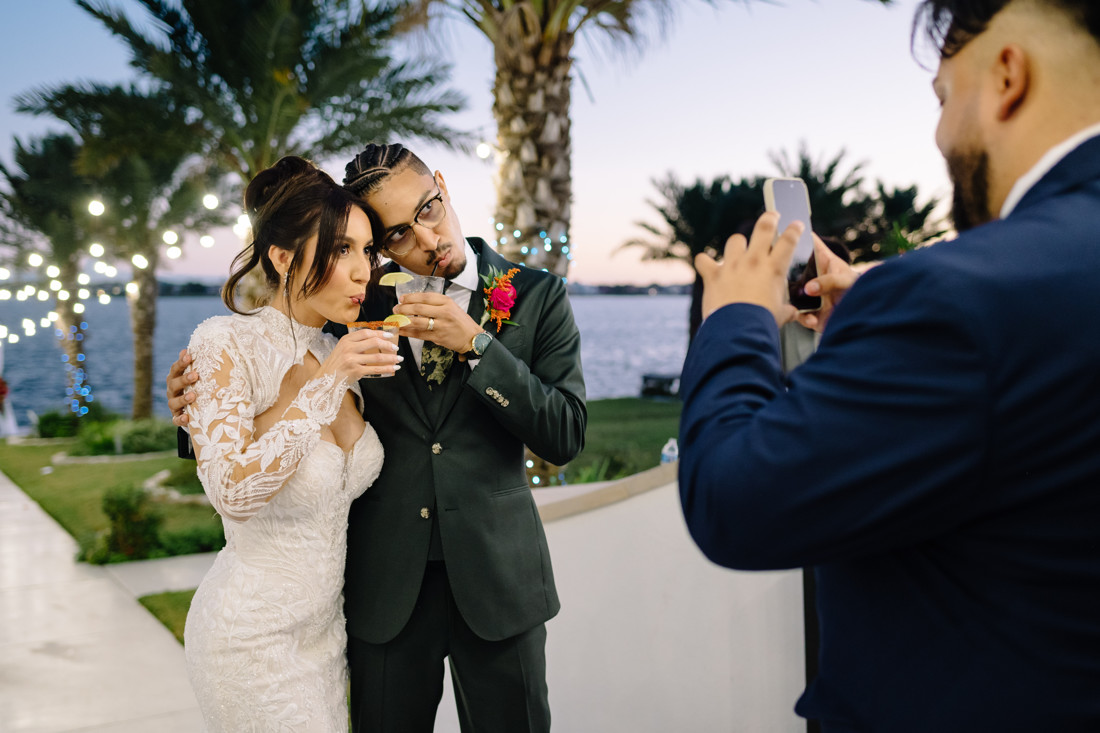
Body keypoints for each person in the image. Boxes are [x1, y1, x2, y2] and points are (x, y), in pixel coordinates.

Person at [677, 1, 1100, 731]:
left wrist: (735, 318)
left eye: (942, 97)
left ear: (1007, 75)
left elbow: (733, 499)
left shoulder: (953, 302)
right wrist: (874, 335)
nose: (939, 133)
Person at [168, 143, 587, 732]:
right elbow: (266, 374)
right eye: (393, 236)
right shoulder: (355, 301)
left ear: (441, 184)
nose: (424, 238)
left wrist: (480, 347)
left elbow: (565, 433)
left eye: (429, 209)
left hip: (500, 579)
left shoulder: (539, 296)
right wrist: (189, 411)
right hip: (384, 590)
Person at [180, 156, 402, 731]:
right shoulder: (224, 341)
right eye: (341, 250)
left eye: (367, 250)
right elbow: (231, 490)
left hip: (327, 643)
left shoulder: (336, 348)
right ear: (281, 257)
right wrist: (331, 385)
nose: (363, 272)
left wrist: (338, 370)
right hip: (250, 640)